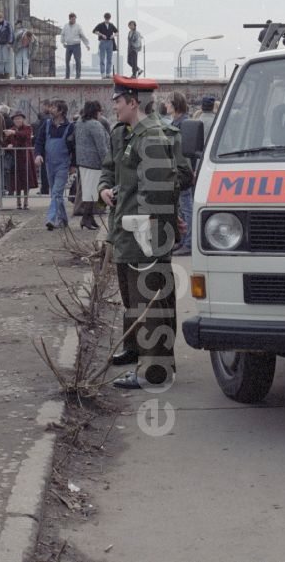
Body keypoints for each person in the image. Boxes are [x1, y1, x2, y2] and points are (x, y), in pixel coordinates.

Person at [99, 76, 178, 390]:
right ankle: (144, 357)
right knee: (138, 300)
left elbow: (159, 193)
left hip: (143, 234)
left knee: (150, 303)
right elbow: (116, 172)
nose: (115, 106)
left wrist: (151, 234)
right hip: (128, 229)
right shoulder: (133, 134)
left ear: (133, 102)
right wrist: (105, 190)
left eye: (118, 101)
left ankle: (153, 372)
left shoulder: (153, 136)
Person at [34, 99, 74, 230]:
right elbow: (39, 142)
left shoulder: (70, 127)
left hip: (63, 164)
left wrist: (73, 165)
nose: (51, 110)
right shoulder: (46, 124)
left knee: (57, 193)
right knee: (55, 194)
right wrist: (38, 155)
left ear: (61, 111)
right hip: (49, 164)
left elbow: (74, 148)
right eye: (50, 107)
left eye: (54, 108)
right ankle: (63, 219)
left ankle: (51, 219)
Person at [74, 100, 109, 230]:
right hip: (94, 162)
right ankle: (86, 218)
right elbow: (102, 147)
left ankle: (89, 218)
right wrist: (107, 162)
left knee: (89, 191)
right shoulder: (95, 125)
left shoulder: (80, 123)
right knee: (92, 192)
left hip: (83, 161)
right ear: (96, 111)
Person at [169, 91, 195, 255]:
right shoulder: (178, 122)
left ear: (174, 105)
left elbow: (187, 152)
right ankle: (184, 240)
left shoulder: (183, 124)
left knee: (187, 208)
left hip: (184, 173)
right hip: (180, 172)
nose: (165, 105)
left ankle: (189, 243)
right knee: (183, 208)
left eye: (168, 102)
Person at [4, 112, 37, 209]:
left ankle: (26, 202)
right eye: (15, 119)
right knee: (16, 181)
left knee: (26, 180)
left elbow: (25, 136)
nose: (17, 120)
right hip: (16, 159)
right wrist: (7, 145)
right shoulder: (12, 130)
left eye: (19, 118)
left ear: (23, 119)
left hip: (26, 158)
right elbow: (6, 141)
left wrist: (13, 133)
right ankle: (18, 202)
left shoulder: (27, 128)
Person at [31, 100, 52, 195]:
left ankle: (45, 189)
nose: (42, 108)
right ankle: (47, 188)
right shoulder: (50, 118)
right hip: (49, 147)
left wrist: (34, 140)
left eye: (43, 106)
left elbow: (40, 134)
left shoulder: (44, 119)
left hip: (44, 147)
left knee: (44, 170)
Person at [60, 12, 90, 79]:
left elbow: (82, 36)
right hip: (68, 45)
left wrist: (87, 44)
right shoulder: (65, 26)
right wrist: (63, 42)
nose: (74, 20)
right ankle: (67, 76)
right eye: (73, 19)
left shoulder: (78, 26)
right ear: (70, 19)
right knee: (67, 61)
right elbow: (62, 34)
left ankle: (78, 76)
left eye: (75, 19)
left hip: (76, 45)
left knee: (78, 61)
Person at [92, 12, 119, 77]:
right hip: (103, 42)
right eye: (106, 18)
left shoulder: (111, 25)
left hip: (110, 42)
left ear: (110, 18)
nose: (107, 19)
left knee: (109, 59)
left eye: (108, 18)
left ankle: (108, 73)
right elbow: (94, 31)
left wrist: (114, 35)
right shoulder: (100, 25)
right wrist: (101, 35)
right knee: (102, 59)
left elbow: (117, 32)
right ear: (105, 18)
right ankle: (103, 73)